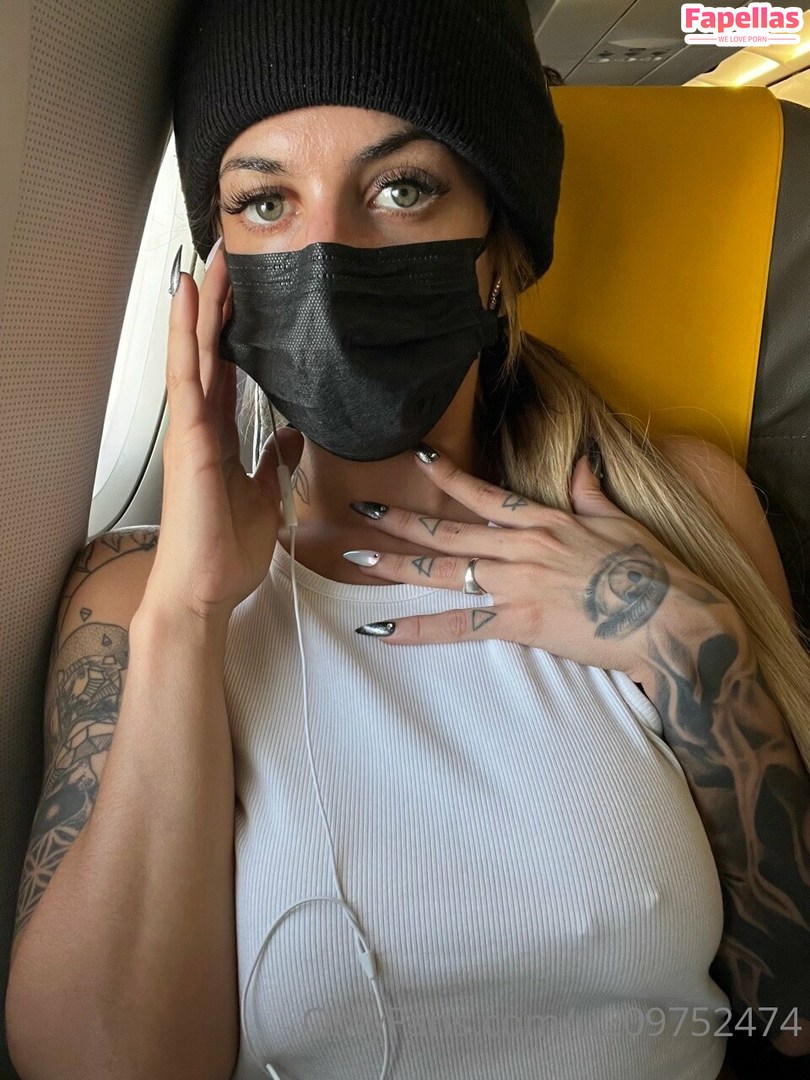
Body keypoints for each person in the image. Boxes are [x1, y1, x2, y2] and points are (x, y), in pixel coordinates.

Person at [5, 2, 809, 1080]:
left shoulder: (678, 514)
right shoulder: (132, 594)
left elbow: (792, 1018)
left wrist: (695, 658)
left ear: (499, 253)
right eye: (266, 202)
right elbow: (102, 1066)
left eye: (402, 189)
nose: (329, 253)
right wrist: (190, 616)